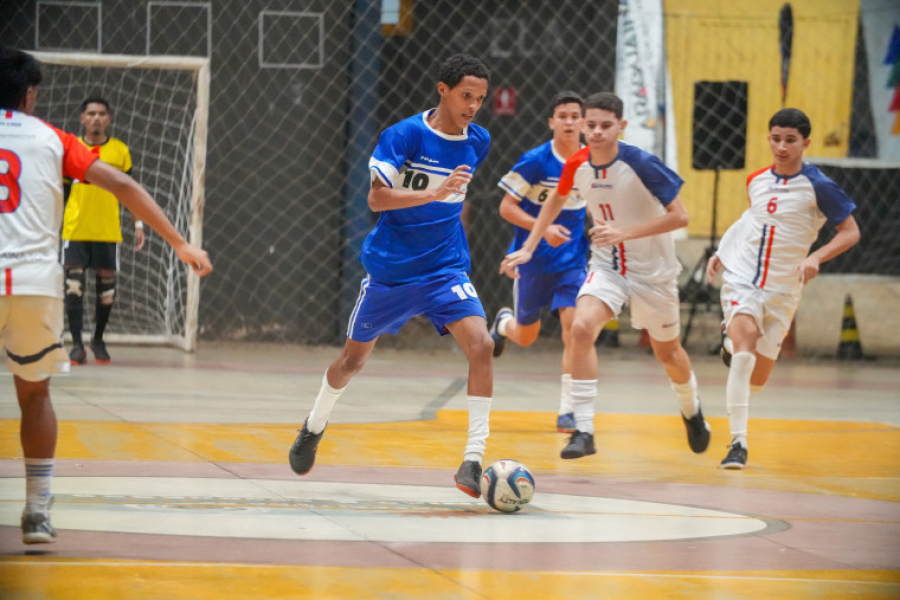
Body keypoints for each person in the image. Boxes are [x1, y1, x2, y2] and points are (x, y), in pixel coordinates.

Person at [0, 47, 213, 544]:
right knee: (34, 395)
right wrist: (180, 243)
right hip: (33, 284)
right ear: (31, 95)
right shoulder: (54, 139)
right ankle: (35, 510)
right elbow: (120, 183)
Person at [288, 54, 494, 498]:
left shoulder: (478, 140)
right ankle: (314, 425)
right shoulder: (404, 135)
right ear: (443, 89)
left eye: (480, 98)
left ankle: (473, 461)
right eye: (466, 96)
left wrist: (448, 208)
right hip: (392, 272)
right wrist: (434, 193)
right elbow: (377, 199)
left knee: (483, 344)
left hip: (445, 269)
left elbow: (458, 204)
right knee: (352, 362)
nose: (474, 106)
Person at [500, 92, 711, 459]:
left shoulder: (642, 163)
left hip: (653, 272)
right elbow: (554, 200)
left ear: (621, 126)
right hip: (607, 265)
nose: (596, 132)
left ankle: (692, 410)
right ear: (583, 126)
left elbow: (681, 217)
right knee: (581, 328)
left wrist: (624, 233)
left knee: (669, 353)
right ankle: (583, 430)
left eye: (605, 126)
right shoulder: (576, 163)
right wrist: (529, 246)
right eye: (591, 125)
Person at [708, 108, 859, 470]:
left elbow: (851, 231)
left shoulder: (818, 186)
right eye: (776, 138)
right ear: (769, 138)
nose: (781, 146)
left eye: (790, 140)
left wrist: (816, 258)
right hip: (744, 280)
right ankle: (738, 444)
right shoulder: (756, 180)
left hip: (782, 290)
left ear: (805, 143)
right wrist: (723, 251)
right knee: (744, 354)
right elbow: (752, 222)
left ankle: (733, 343)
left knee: (756, 381)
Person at [489, 90, 588, 433]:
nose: (570, 122)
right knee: (526, 336)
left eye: (576, 116)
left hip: (572, 262)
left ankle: (568, 411)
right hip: (533, 262)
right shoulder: (535, 161)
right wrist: (541, 229)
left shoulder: (592, 163)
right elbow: (505, 207)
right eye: (563, 116)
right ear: (551, 122)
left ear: (584, 122)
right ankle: (503, 324)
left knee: (574, 330)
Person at [62, 96, 144, 365]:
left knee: (106, 291)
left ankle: (98, 339)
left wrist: (138, 222)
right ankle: (76, 345)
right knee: (74, 287)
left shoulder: (120, 151)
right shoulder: (72, 148)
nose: (96, 117)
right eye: (91, 113)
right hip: (76, 229)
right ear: (82, 118)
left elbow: (130, 192)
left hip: (107, 232)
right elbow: (61, 191)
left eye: (101, 113)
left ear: (109, 118)